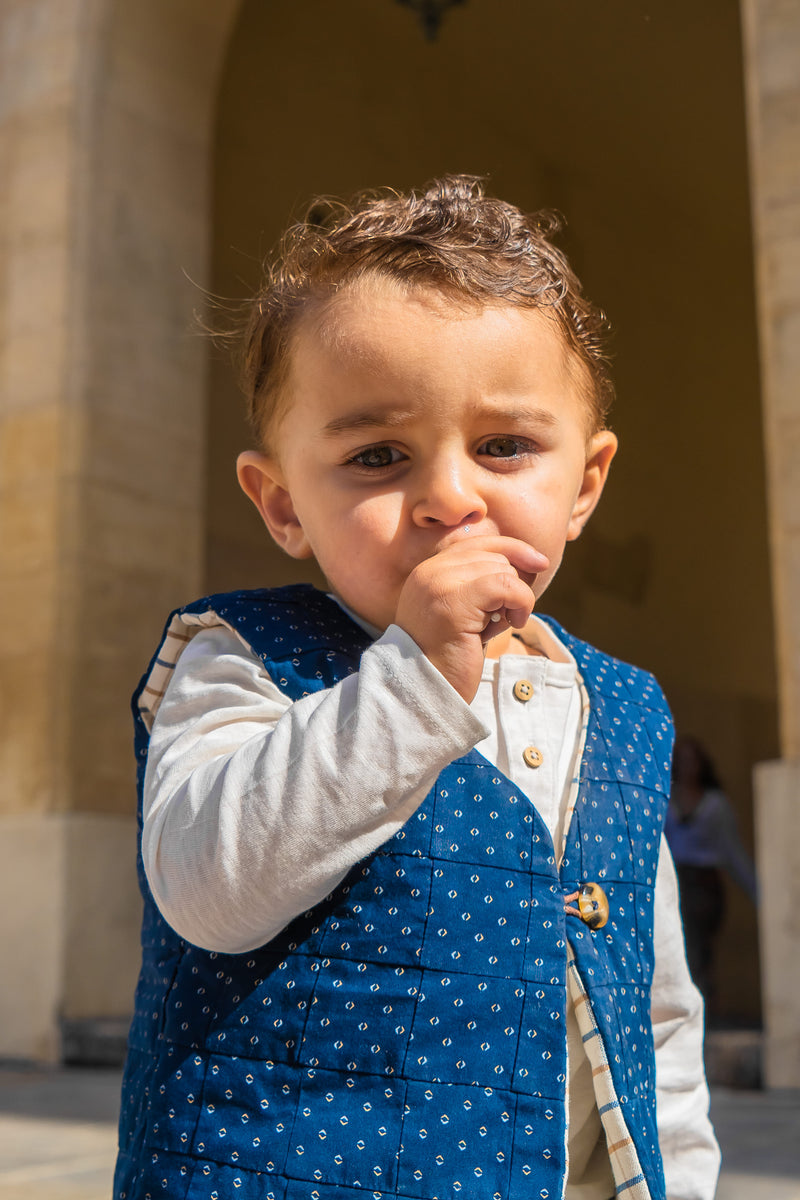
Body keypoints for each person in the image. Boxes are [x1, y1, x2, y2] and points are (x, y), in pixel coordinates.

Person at [114, 176, 720, 1200]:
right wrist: (412, 680)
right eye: (378, 456)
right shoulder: (244, 658)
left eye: (504, 447)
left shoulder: (622, 712)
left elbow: (651, 1010)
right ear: (282, 503)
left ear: (582, 485)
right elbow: (205, 888)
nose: (448, 497)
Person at [665, 735, 758, 1014]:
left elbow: (733, 852)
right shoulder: (665, 798)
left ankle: (704, 1013)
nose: (687, 766)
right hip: (675, 883)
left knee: (696, 948)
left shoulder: (715, 804)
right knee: (679, 949)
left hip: (704, 885)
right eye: (682, 760)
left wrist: (759, 893)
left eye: (692, 760)